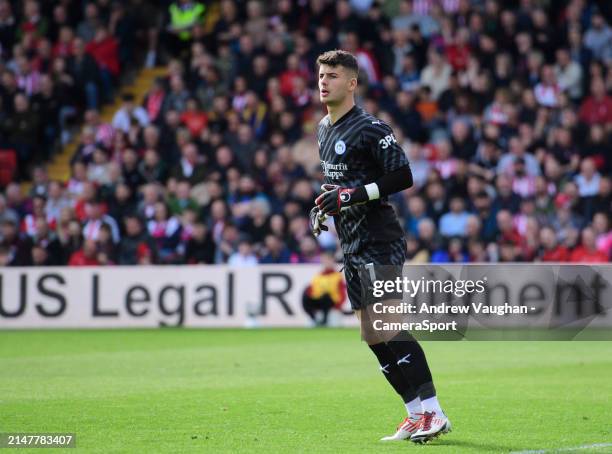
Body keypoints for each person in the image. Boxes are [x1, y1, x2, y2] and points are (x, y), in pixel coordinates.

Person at [309, 50, 450, 443]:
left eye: (333, 75)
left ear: (352, 83)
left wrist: (351, 197)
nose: (324, 81)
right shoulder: (323, 128)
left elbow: (402, 176)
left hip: (380, 240)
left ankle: (435, 412)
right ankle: (414, 413)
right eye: (321, 75)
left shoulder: (371, 127)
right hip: (351, 245)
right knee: (372, 334)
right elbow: (342, 186)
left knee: (389, 324)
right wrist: (326, 204)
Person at [302, 251, 346, 326]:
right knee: (305, 297)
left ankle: (324, 320)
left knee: (326, 296)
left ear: (333, 261)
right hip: (319, 301)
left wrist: (338, 306)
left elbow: (342, 293)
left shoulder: (337, 276)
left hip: (332, 302)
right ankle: (313, 317)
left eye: (328, 260)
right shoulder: (318, 276)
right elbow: (311, 290)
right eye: (325, 260)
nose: (327, 262)